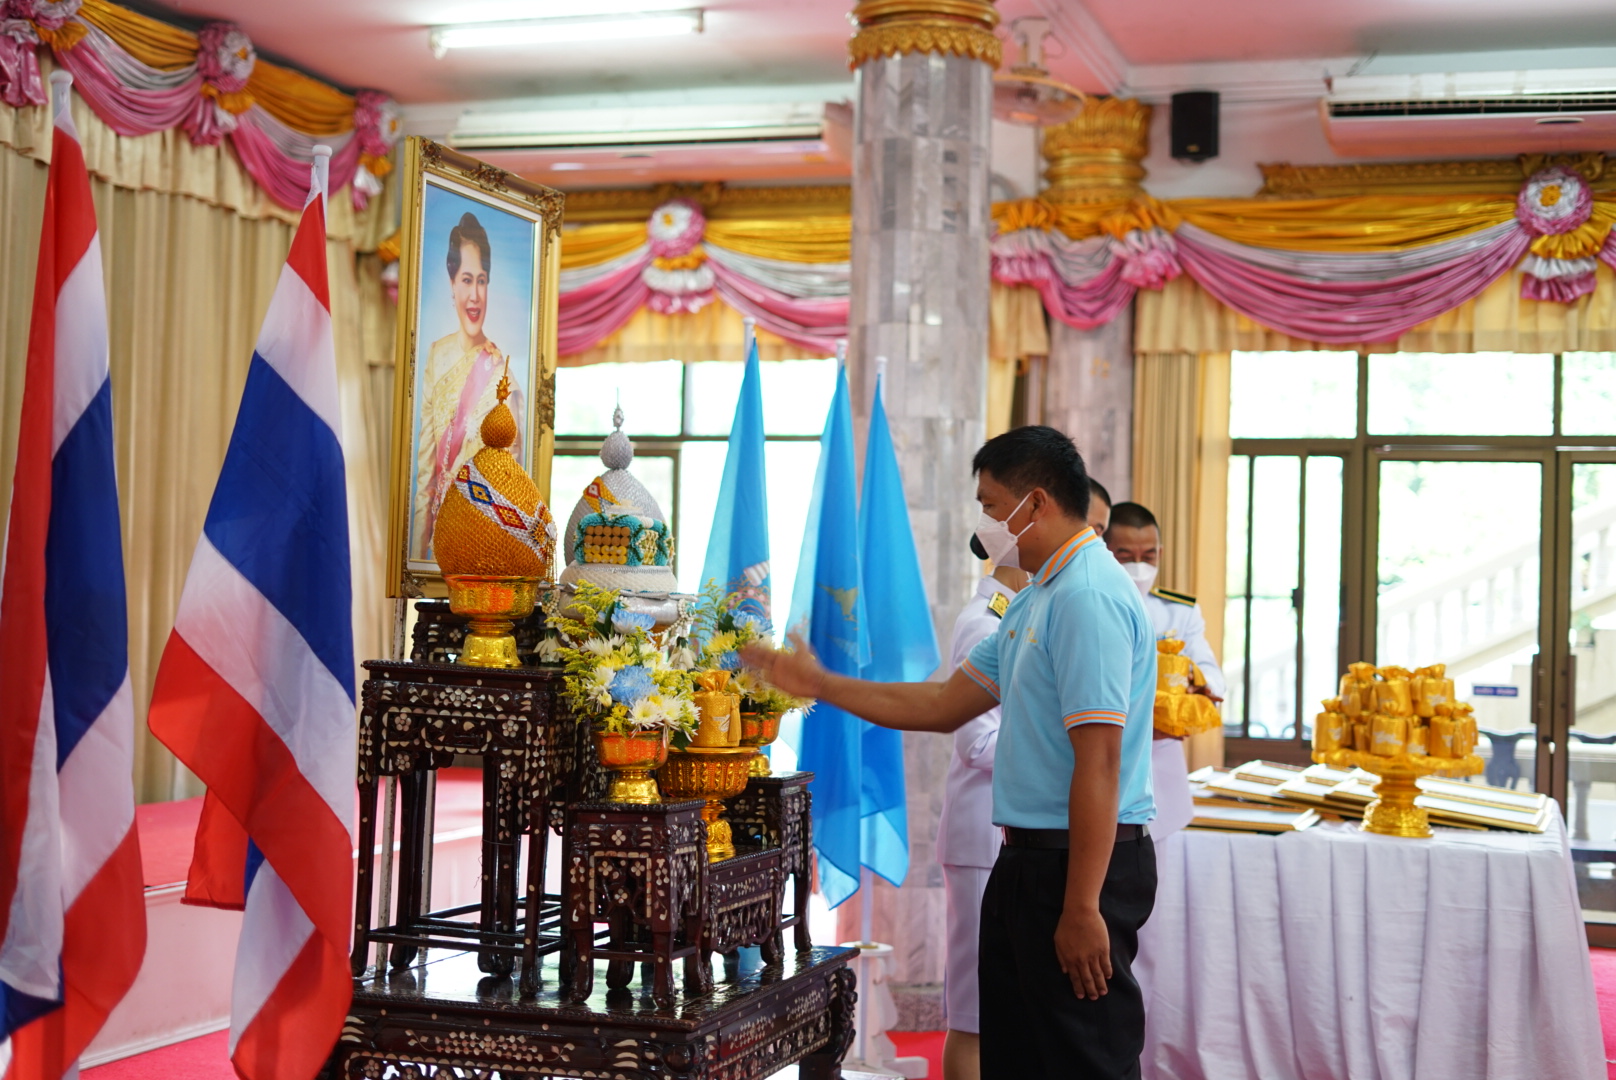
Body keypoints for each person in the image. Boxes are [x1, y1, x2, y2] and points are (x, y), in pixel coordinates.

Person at [744, 426, 1157, 1080]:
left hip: (1074, 868)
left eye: (993, 507)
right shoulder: (1038, 597)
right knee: (1019, 1054)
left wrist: (1082, 905)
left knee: (1080, 1060)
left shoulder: (1086, 597)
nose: (987, 523)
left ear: (1037, 503)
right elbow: (942, 706)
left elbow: (1100, 763)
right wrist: (820, 685)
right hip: (1027, 859)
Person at [938, 551, 1028, 1080]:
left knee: (1003, 1008)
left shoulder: (1012, 618)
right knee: (973, 1012)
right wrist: (1061, 747)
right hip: (982, 838)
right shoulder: (985, 624)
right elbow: (978, 742)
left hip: (1009, 833)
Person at [1103, 501, 1225, 837]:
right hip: (1104, 763)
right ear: (1105, 550)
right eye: (1126, 556)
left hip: (1160, 772)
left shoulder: (1178, 612)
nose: (1139, 566)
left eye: (1148, 556)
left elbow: (1214, 678)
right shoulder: (1090, 605)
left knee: (1156, 883)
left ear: (1160, 552)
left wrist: (1189, 679)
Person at [413, 211, 524, 559]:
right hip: (438, 546)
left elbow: (510, 484)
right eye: (465, 279)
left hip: (483, 546)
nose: (474, 295)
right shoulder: (435, 355)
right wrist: (416, 563)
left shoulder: (503, 377)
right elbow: (425, 477)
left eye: (481, 280)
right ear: (451, 283)